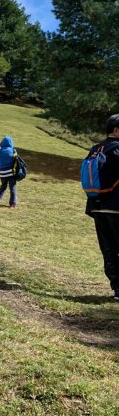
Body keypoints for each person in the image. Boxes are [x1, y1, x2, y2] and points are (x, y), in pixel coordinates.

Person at [85, 114, 119, 301]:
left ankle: (117, 289)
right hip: (116, 206)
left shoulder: (95, 149)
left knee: (109, 249)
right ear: (116, 130)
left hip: (97, 206)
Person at [0, 135, 18, 208]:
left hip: (2, 173)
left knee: (3, 186)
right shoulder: (13, 150)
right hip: (11, 173)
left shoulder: (0, 151)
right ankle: (13, 204)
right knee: (12, 187)